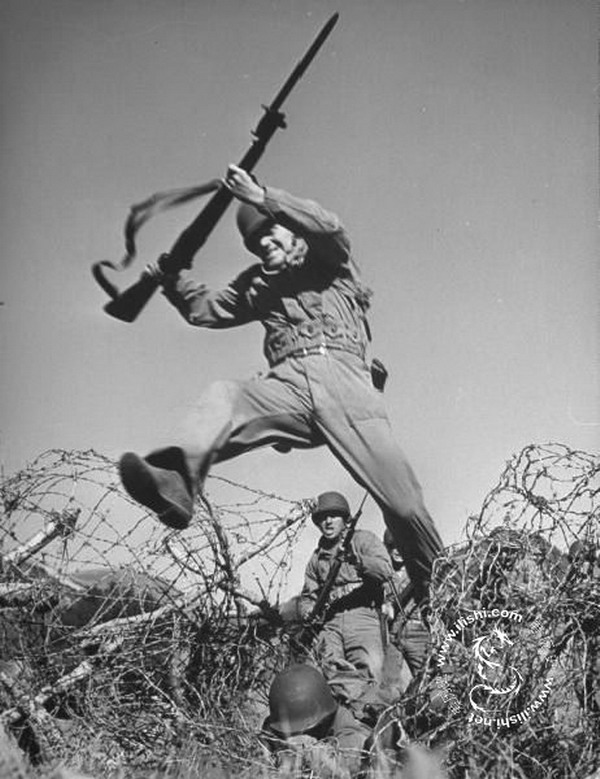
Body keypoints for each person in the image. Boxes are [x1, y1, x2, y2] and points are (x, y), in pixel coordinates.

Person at [118, 164, 443, 606]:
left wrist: (263, 198)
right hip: (288, 387)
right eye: (255, 244)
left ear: (292, 231)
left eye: (271, 235)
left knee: (404, 507)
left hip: (347, 386)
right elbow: (207, 310)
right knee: (225, 396)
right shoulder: (257, 285)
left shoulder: (330, 264)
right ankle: (176, 481)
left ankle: (442, 591)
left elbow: (329, 228)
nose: (264, 246)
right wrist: (172, 280)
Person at [297, 491, 398, 720]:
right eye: (322, 518)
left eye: (333, 516)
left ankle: (379, 719)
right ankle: (361, 714)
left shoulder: (363, 540)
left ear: (345, 519)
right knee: (331, 670)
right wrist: (307, 611)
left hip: (362, 614)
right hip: (330, 622)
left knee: (371, 668)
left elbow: (385, 570)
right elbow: (307, 596)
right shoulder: (316, 559)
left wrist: (358, 561)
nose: (328, 522)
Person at [260, 663, 371, 779]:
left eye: (308, 730)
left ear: (323, 721)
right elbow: (260, 756)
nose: (300, 734)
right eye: (293, 732)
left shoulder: (342, 721)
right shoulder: (275, 725)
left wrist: (309, 750)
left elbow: (350, 763)